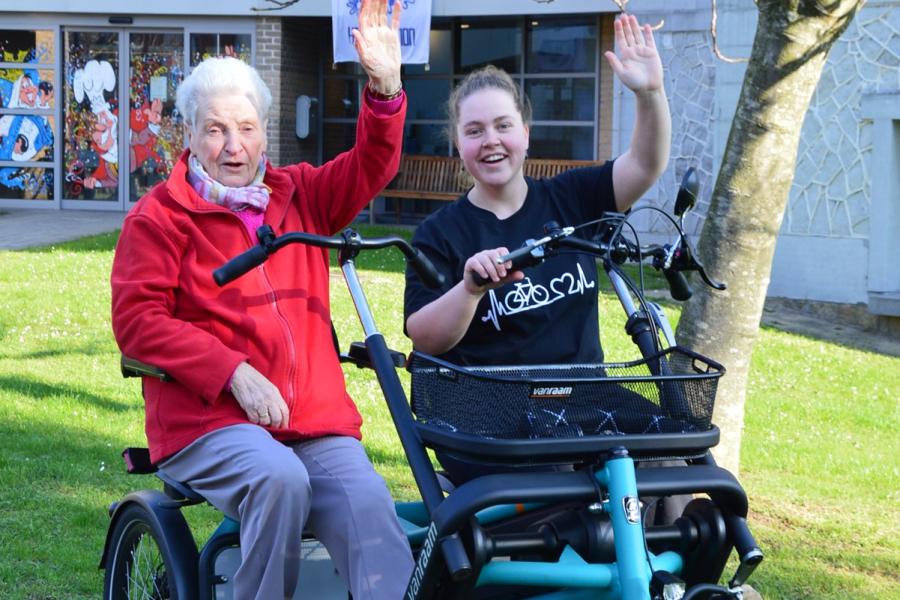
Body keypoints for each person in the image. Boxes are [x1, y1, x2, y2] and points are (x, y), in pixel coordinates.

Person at [110, 1, 414, 598]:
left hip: (312, 422)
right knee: (279, 480)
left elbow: (373, 164)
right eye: (216, 129)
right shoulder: (159, 218)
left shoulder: (301, 193)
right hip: (208, 421)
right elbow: (138, 323)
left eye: (246, 128)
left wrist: (385, 86)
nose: (232, 145)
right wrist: (234, 373)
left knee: (369, 505)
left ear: (264, 133)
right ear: (191, 134)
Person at [403, 14, 673, 490]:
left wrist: (649, 95)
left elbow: (646, 165)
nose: (491, 141)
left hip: (586, 398)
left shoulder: (573, 197)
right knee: (566, 480)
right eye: (474, 130)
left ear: (525, 132)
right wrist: (470, 290)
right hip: (492, 414)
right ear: (458, 143)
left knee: (673, 454)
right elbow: (424, 337)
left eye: (503, 125)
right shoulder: (439, 234)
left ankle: (671, 563)